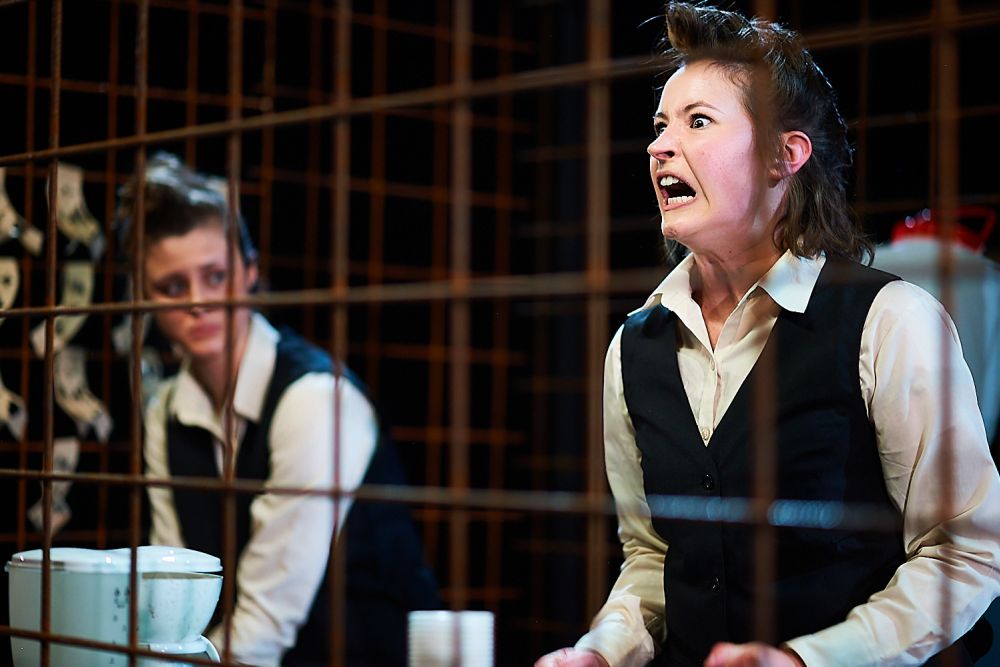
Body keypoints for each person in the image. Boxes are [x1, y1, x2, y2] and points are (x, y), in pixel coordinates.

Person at [536, 4, 1000, 667]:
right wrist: (603, 651)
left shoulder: (891, 319)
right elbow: (652, 555)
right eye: (661, 126)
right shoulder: (633, 346)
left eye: (698, 121)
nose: (660, 147)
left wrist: (808, 658)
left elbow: (965, 551)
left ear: (785, 156)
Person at [117, 152, 440, 667]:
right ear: (144, 297)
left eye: (216, 276)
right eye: (173, 286)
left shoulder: (314, 398)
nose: (199, 302)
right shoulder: (166, 410)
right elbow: (173, 593)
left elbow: (265, 624)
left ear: (250, 272)